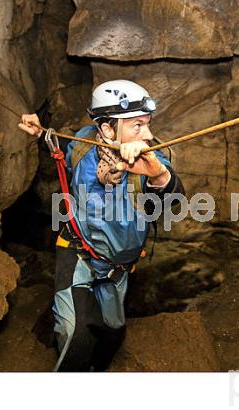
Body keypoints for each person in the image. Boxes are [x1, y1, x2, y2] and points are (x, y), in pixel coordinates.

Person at [19, 80, 184, 371]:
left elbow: (171, 193)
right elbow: (63, 147)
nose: (148, 134)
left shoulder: (150, 158)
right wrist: (40, 133)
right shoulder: (84, 145)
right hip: (77, 252)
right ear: (107, 129)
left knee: (111, 333)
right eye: (137, 125)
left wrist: (157, 174)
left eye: (147, 124)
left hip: (117, 267)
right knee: (77, 334)